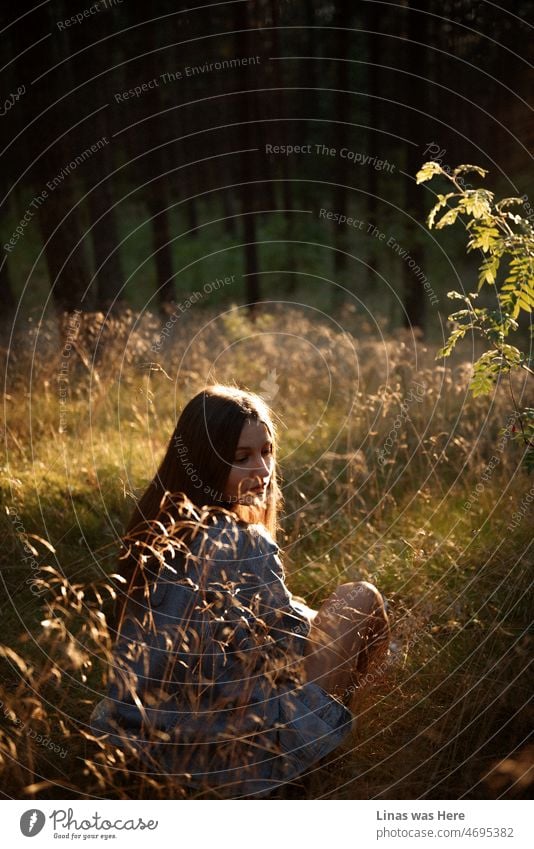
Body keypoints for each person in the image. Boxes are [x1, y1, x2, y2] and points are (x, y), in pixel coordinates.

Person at [90, 384, 390, 798]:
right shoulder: (240, 541)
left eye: (266, 452)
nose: (263, 472)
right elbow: (290, 646)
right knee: (360, 598)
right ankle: (320, 761)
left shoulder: (154, 528)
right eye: (241, 458)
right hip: (226, 764)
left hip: (134, 750)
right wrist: (344, 635)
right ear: (205, 463)